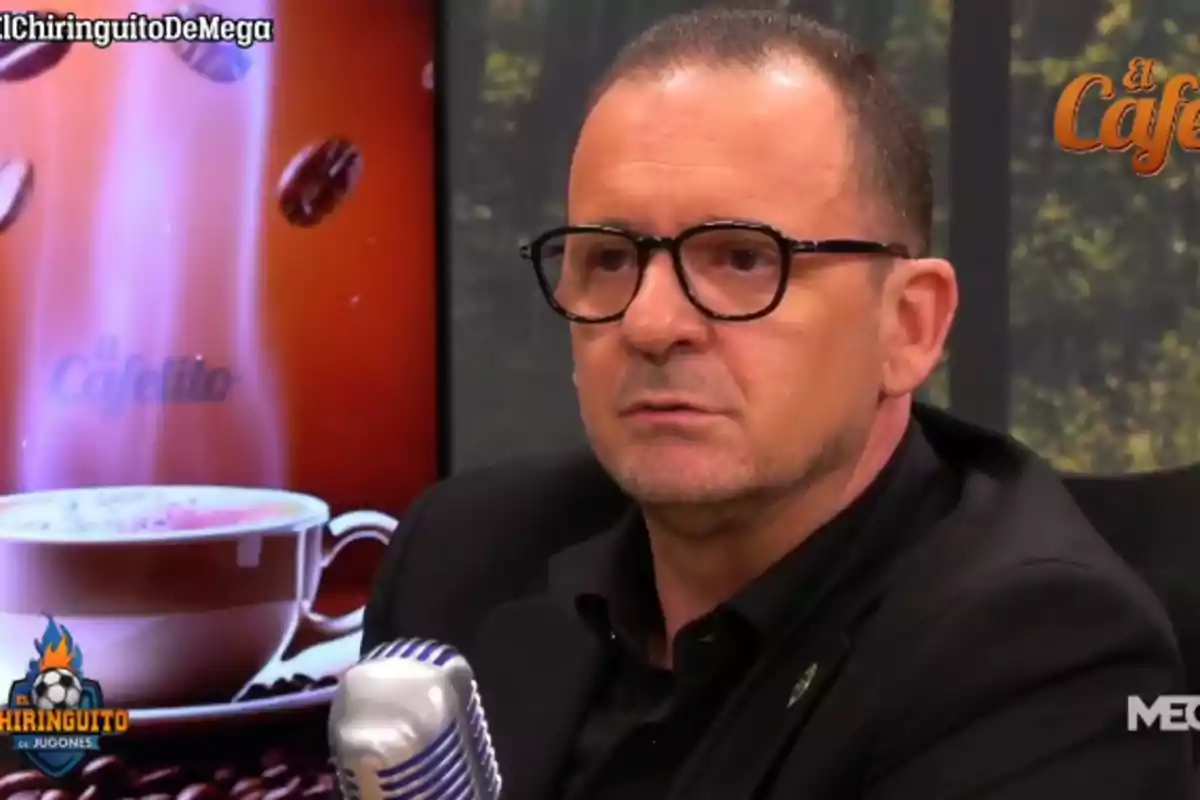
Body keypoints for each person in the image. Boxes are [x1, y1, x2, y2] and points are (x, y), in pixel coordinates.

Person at [363, 8, 1194, 798]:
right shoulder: (461, 555)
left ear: (909, 325)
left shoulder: (1041, 650)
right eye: (610, 260)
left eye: (740, 259)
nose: (652, 323)